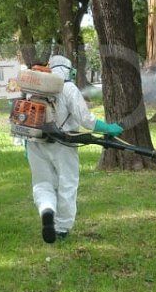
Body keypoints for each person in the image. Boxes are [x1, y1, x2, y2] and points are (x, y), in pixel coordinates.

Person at [25, 54, 122, 243]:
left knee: (42, 183)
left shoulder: (33, 88)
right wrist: (108, 128)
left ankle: (46, 210)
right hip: (63, 144)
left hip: (34, 142)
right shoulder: (68, 88)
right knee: (67, 183)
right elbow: (85, 119)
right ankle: (61, 228)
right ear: (70, 70)